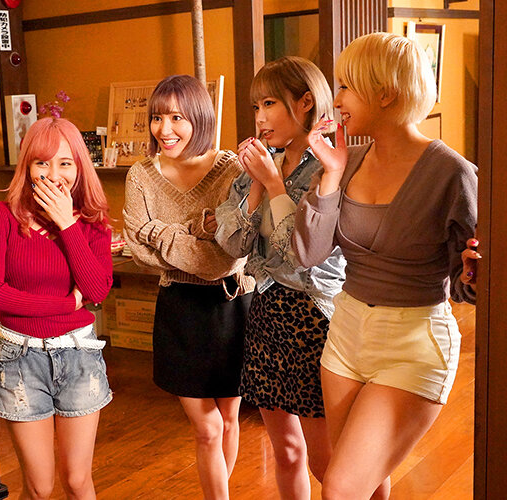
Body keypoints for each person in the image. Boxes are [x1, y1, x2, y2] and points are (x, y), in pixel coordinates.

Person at [292, 32, 477, 499]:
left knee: (339, 488)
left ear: (386, 94)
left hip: (413, 342)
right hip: (346, 334)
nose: (336, 101)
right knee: (364, 484)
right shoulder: (346, 161)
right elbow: (308, 254)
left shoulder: (452, 173)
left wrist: (475, 271)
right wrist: (331, 175)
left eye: (345, 87)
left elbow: (467, 284)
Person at [214, 56, 345, 499]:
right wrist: (257, 182)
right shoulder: (261, 165)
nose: (260, 117)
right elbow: (232, 244)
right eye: (256, 107)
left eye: (269, 103)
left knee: (330, 462)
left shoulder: (327, 169)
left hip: (316, 319)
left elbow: (298, 255)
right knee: (286, 451)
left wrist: (273, 185)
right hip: (267, 313)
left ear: (305, 102)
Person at [122, 74, 255, 500]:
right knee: (208, 427)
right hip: (179, 309)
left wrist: (159, 231)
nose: (164, 129)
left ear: (200, 118)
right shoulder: (141, 175)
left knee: (229, 420)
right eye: (157, 118)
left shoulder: (232, 169)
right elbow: (137, 252)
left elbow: (226, 259)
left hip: (233, 305)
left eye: (177, 118)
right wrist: (198, 231)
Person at [0, 117, 113, 500]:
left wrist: (66, 223)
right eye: (42, 163)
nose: (54, 175)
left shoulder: (93, 224)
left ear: (79, 167)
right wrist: (65, 303)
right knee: (39, 487)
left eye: (65, 163)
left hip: (79, 354)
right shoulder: (0, 216)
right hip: (20, 359)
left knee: (77, 481)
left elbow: (97, 290)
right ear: (27, 166)